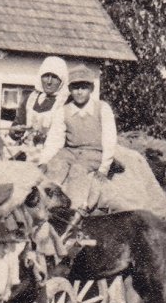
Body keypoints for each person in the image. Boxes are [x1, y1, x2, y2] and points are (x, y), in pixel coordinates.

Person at [38, 63, 118, 205]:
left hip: (93, 154)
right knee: (55, 166)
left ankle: (75, 207)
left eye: (84, 87)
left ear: (91, 89)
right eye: (75, 88)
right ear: (69, 89)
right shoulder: (63, 111)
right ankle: (47, 204)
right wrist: (44, 161)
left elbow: (109, 140)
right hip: (69, 152)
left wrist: (104, 168)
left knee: (78, 171)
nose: (79, 92)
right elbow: (54, 140)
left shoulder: (102, 108)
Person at [13, 56, 68, 148]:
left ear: (62, 79)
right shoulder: (30, 99)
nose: (49, 81)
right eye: (46, 76)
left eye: (54, 77)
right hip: (27, 151)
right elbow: (16, 128)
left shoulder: (66, 102)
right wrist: (16, 131)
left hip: (53, 153)